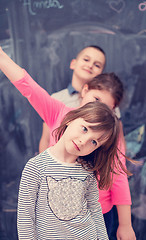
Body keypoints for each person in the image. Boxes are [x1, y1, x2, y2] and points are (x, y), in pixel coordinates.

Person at [0, 47, 136, 240]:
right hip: (53, 213)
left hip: (98, 212)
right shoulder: (58, 111)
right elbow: (28, 86)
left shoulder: (109, 132)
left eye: (106, 107)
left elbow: (118, 171)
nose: (99, 109)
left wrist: (125, 224)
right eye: (96, 100)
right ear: (85, 91)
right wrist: (3, 58)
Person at [17, 101, 122, 239]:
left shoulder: (88, 172)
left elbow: (95, 211)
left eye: (94, 142)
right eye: (85, 129)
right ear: (71, 119)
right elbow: (25, 218)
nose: (84, 141)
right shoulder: (35, 167)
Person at [39, 45, 106, 153]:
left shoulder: (106, 103)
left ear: (101, 74)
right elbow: (46, 139)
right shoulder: (56, 98)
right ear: (73, 63)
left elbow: (119, 143)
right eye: (86, 59)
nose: (90, 65)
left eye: (97, 65)